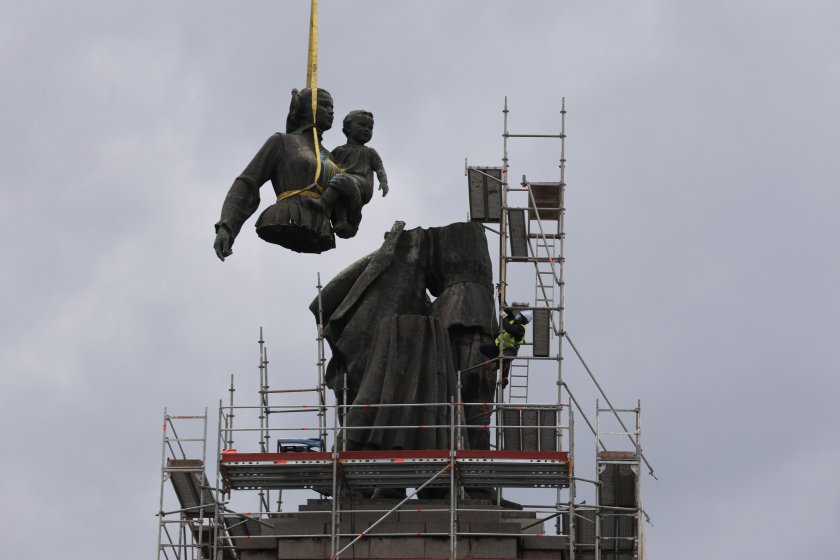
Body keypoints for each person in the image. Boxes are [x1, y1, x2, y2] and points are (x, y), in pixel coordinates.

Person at [213, 87, 365, 257]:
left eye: (332, 108)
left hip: (319, 228)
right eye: (324, 105)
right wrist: (226, 226)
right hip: (284, 217)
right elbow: (248, 183)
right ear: (306, 109)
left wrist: (354, 196)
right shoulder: (283, 142)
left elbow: (345, 229)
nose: (330, 112)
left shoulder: (332, 158)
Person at [306, 110, 388, 238]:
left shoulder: (370, 152)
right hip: (342, 180)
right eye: (362, 125)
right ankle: (341, 221)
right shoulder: (339, 150)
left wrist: (383, 182)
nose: (367, 130)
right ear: (348, 128)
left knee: (340, 181)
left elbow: (379, 168)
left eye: (370, 128)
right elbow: (326, 161)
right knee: (337, 187)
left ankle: (323, 202)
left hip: (362, 184)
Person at [480, 305, 530, 387]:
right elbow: (506, 310)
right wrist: (504, 306)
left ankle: (504, 379)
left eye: (519, 316)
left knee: (505, 359)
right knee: (483, 347)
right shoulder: (513, 321)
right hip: (500, 348)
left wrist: (503, 315)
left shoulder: (521, 329)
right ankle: (497, 362)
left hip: (510, 350)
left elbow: (508, 328)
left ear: (523, 320)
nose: (517, 316)